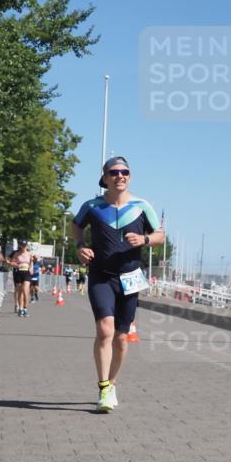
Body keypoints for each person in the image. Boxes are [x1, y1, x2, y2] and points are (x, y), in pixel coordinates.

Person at [72, 156, 163, 412]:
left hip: (130, 277)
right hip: (101, 275)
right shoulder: (92, 206)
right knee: (105, 330)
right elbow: (76, 226)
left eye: (124, 172)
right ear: (105, 178)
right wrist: (80, 246)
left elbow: (160, 235)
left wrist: (145, 240)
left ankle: (112, 383)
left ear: (129, 177)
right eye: (114, 172)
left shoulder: (142, 206)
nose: (119, 176)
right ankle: (103, 388)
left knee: (122, 338)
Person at [5, 241, 32, 317]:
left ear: (26, 246)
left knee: (25, 291)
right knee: (19, 292)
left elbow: (32, 262)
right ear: (20, 245)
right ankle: (20, 308)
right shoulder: (16, 253)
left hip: (27, 273)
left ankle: (25, 309)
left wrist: (31, 268)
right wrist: (15, 265)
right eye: (22, 245)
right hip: (18, 273)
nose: (23, 247)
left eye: (25, 245)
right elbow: (11, 262)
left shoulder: (29, 254)